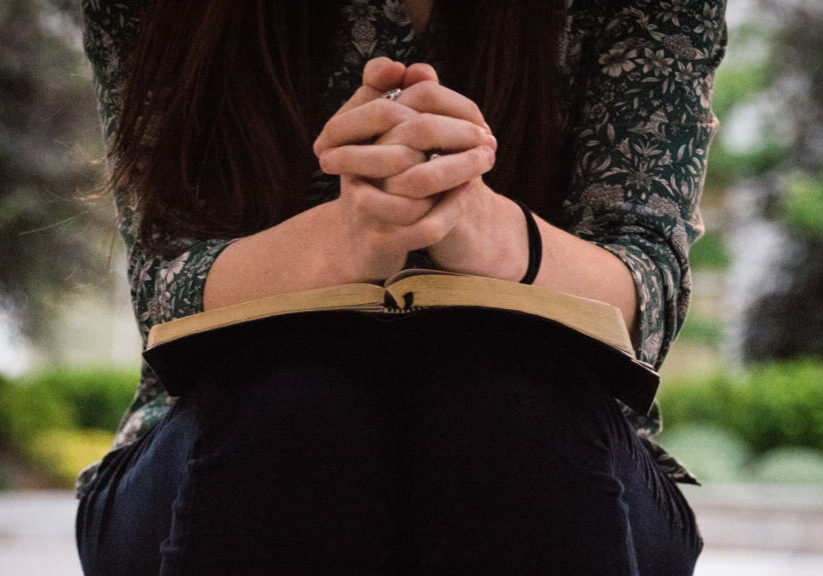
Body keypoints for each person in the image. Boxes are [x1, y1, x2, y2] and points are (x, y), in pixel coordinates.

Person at [76, 0, 726, 574]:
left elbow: (647, 297)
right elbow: (161, 286)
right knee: (298, 413)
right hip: (224, 439)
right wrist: (343, 237)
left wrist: (481, 225)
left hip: (554, 444)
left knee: (506, 412)